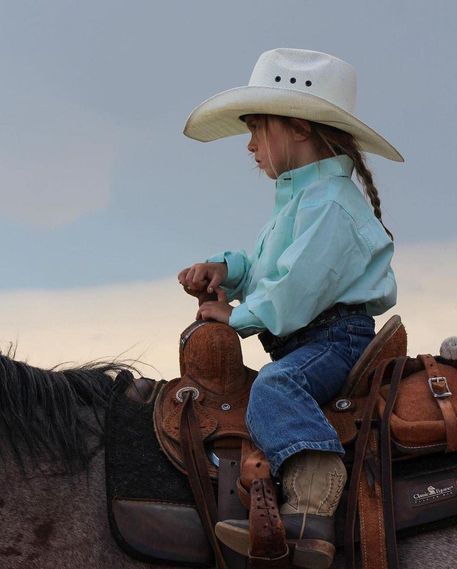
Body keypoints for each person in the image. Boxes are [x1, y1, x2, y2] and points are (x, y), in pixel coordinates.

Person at [178, 48, 402, 568]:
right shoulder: (303, 200)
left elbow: (296, 289)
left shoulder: (330, 206)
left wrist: (238, 317)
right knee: (272, 386)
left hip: (335, 339)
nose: (250, 145)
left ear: (298, 128)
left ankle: (311, 505)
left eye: (258, 130)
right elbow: (266, 268)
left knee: (276, 388)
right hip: (312, 337)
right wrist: (228, 270)